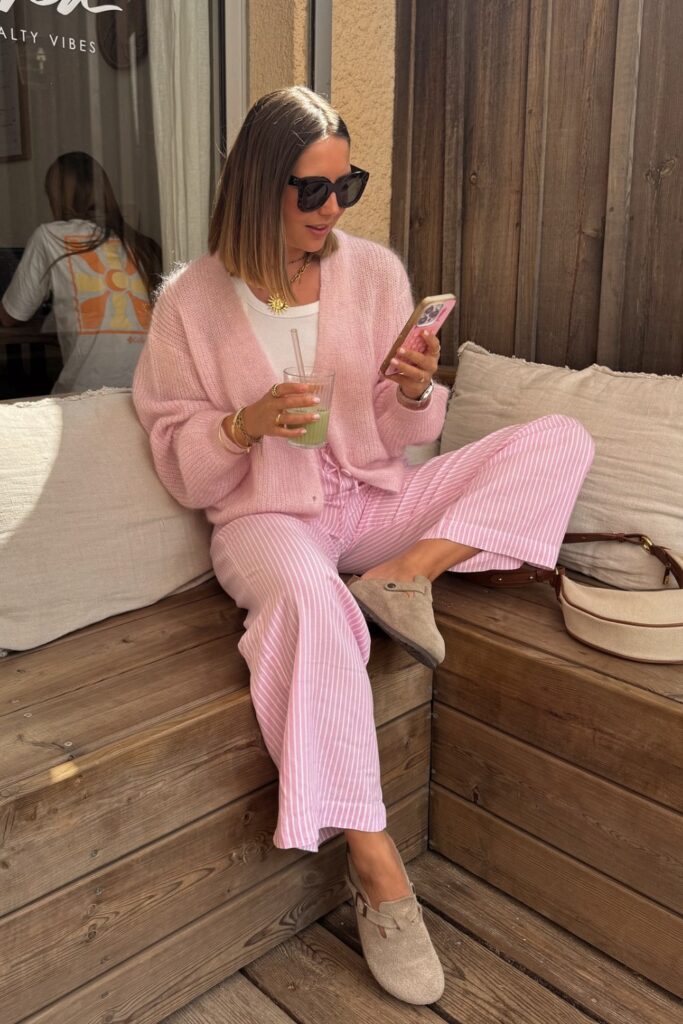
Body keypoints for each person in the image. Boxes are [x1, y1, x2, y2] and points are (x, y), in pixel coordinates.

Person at [132, 86, 594, 1005]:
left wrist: (417, 390)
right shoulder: (190, 299)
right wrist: (241, 424)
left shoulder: (372, 272)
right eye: (311, 191)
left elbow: (393, 432)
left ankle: (404, 577)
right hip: (267, 517)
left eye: (347, 185)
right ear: (256, 185)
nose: (332, 210)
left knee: (559, 441)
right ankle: (378, 870)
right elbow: (179, 463)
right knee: (310, 604)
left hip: (368, 500)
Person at [0, 151, 161, 394]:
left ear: (56, 199)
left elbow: (11, 315)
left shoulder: (50, 236)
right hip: (147, 392)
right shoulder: (140, 244)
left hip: (87, 393)